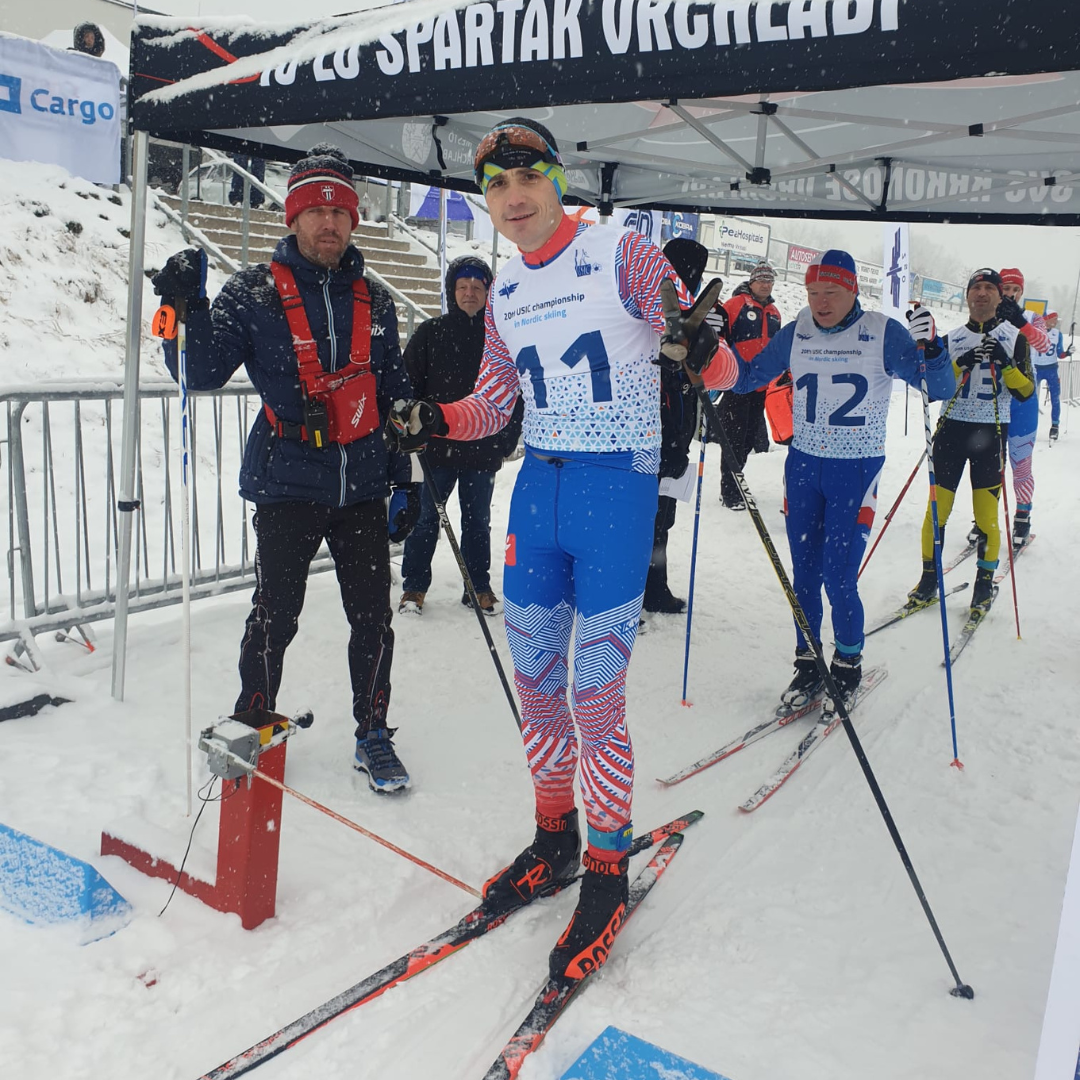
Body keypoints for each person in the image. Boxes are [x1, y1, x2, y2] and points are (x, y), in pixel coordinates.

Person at [385, 118, 734, 983]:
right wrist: (436, 417)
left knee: (593, 695)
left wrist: (706, 345)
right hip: (536, 493)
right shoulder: (503, 290)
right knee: (538, 686)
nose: (512, 198)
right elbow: (493, 404)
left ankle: (607, 874)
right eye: (496, 187)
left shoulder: (623, 253)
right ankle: (555, 840)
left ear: (555, 179)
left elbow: (718, 371)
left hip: (614, 493)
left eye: (526, 178)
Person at [152, 144, 419, 793]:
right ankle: (252, 720)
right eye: (315, 210)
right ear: (292, 217)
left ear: (354, 221)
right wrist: (175, 311)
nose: (329, 223)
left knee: (373, 619)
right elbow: (199, 370)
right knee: (276, 613)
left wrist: (405, 477)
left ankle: (373, 731)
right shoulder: (251, 294)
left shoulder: (376, 301)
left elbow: (396, 393)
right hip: (286, 478)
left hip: (360, 482)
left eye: (340, 211)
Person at [701, 250, 952, 716]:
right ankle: (808, 660)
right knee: (803, 576)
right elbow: (745, 376)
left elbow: (937, 388)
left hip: (854, 471)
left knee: (838, 577)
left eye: (831, 293)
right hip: (802, 468)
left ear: (852, 290)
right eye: (814, 292)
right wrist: (708, 348)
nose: (820, 302)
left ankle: (849, 661)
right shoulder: (797, 328)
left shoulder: (881, 331)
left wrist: (933, 351)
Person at [907, 268, 1035, 617]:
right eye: (975, 288)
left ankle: (983, 585)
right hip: (951, 433)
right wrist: (960, 364)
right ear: (967, 296)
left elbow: (1026, 392)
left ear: (1000, 296)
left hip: (991, 435)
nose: (982, 294)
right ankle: (928, 580)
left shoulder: (1015, 338)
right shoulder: (951, 338)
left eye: (989, 288)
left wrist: (1006, 365)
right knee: (936, 514)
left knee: (987, 518)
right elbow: (932, 388)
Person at [398, 256, 522, 616]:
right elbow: (409, 386)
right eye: (463, 287)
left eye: (478, 288)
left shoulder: (500, 340)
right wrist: (412, 432)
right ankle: (414, 588)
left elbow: (515, 396)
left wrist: (504, 440)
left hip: (481, 452)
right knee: (424, 521)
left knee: (477, 521)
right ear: (453, 292)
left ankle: (477, 586)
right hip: (433, 451)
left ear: (488, 293)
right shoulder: (430, 332)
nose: (470, 294)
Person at [642, 238, 713, 615]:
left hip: (675, 446)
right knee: (636, 523)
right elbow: (659, 391)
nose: (691, 281)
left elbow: (691, 387)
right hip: (646, 446)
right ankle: (624, 596)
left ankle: (655, 587)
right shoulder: (650, 317)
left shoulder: (694, 320)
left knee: (661, 521)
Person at [716, 262, 783, 509]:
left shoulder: (775, 312)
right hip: (736, 382)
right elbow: (719, 340)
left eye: (770, 280)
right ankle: (730, 492)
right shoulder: (734, 306)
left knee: (747, 440)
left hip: (760, 386)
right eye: (762, 280)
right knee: (733, 438)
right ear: (752, 281)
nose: (766, 284)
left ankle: (736, 482)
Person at [992, 268, 1050, 543]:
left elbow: (1043, 343)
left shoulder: (1031, 318)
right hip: (993, 399)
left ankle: (1022, 515)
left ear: (1021, 292)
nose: (1010, 294)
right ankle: (985, 519)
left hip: (1023, 401)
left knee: (1021, 464)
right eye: (1006, 289)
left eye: (1015, 290)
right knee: (991, 464)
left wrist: (1019, 322)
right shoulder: (988, 315)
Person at [1036, 308, 1068, 441]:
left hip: (1051, 369)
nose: (1056, 321)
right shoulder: (1036, 331)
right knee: (1029, 398)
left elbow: (1060, 353)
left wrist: (1068, 353)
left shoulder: (1057, 334)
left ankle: (1055, 426)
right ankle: (1026, 425)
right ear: (1047, 319)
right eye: (1054, 318)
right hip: (1036, 369)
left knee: (1055, 398)